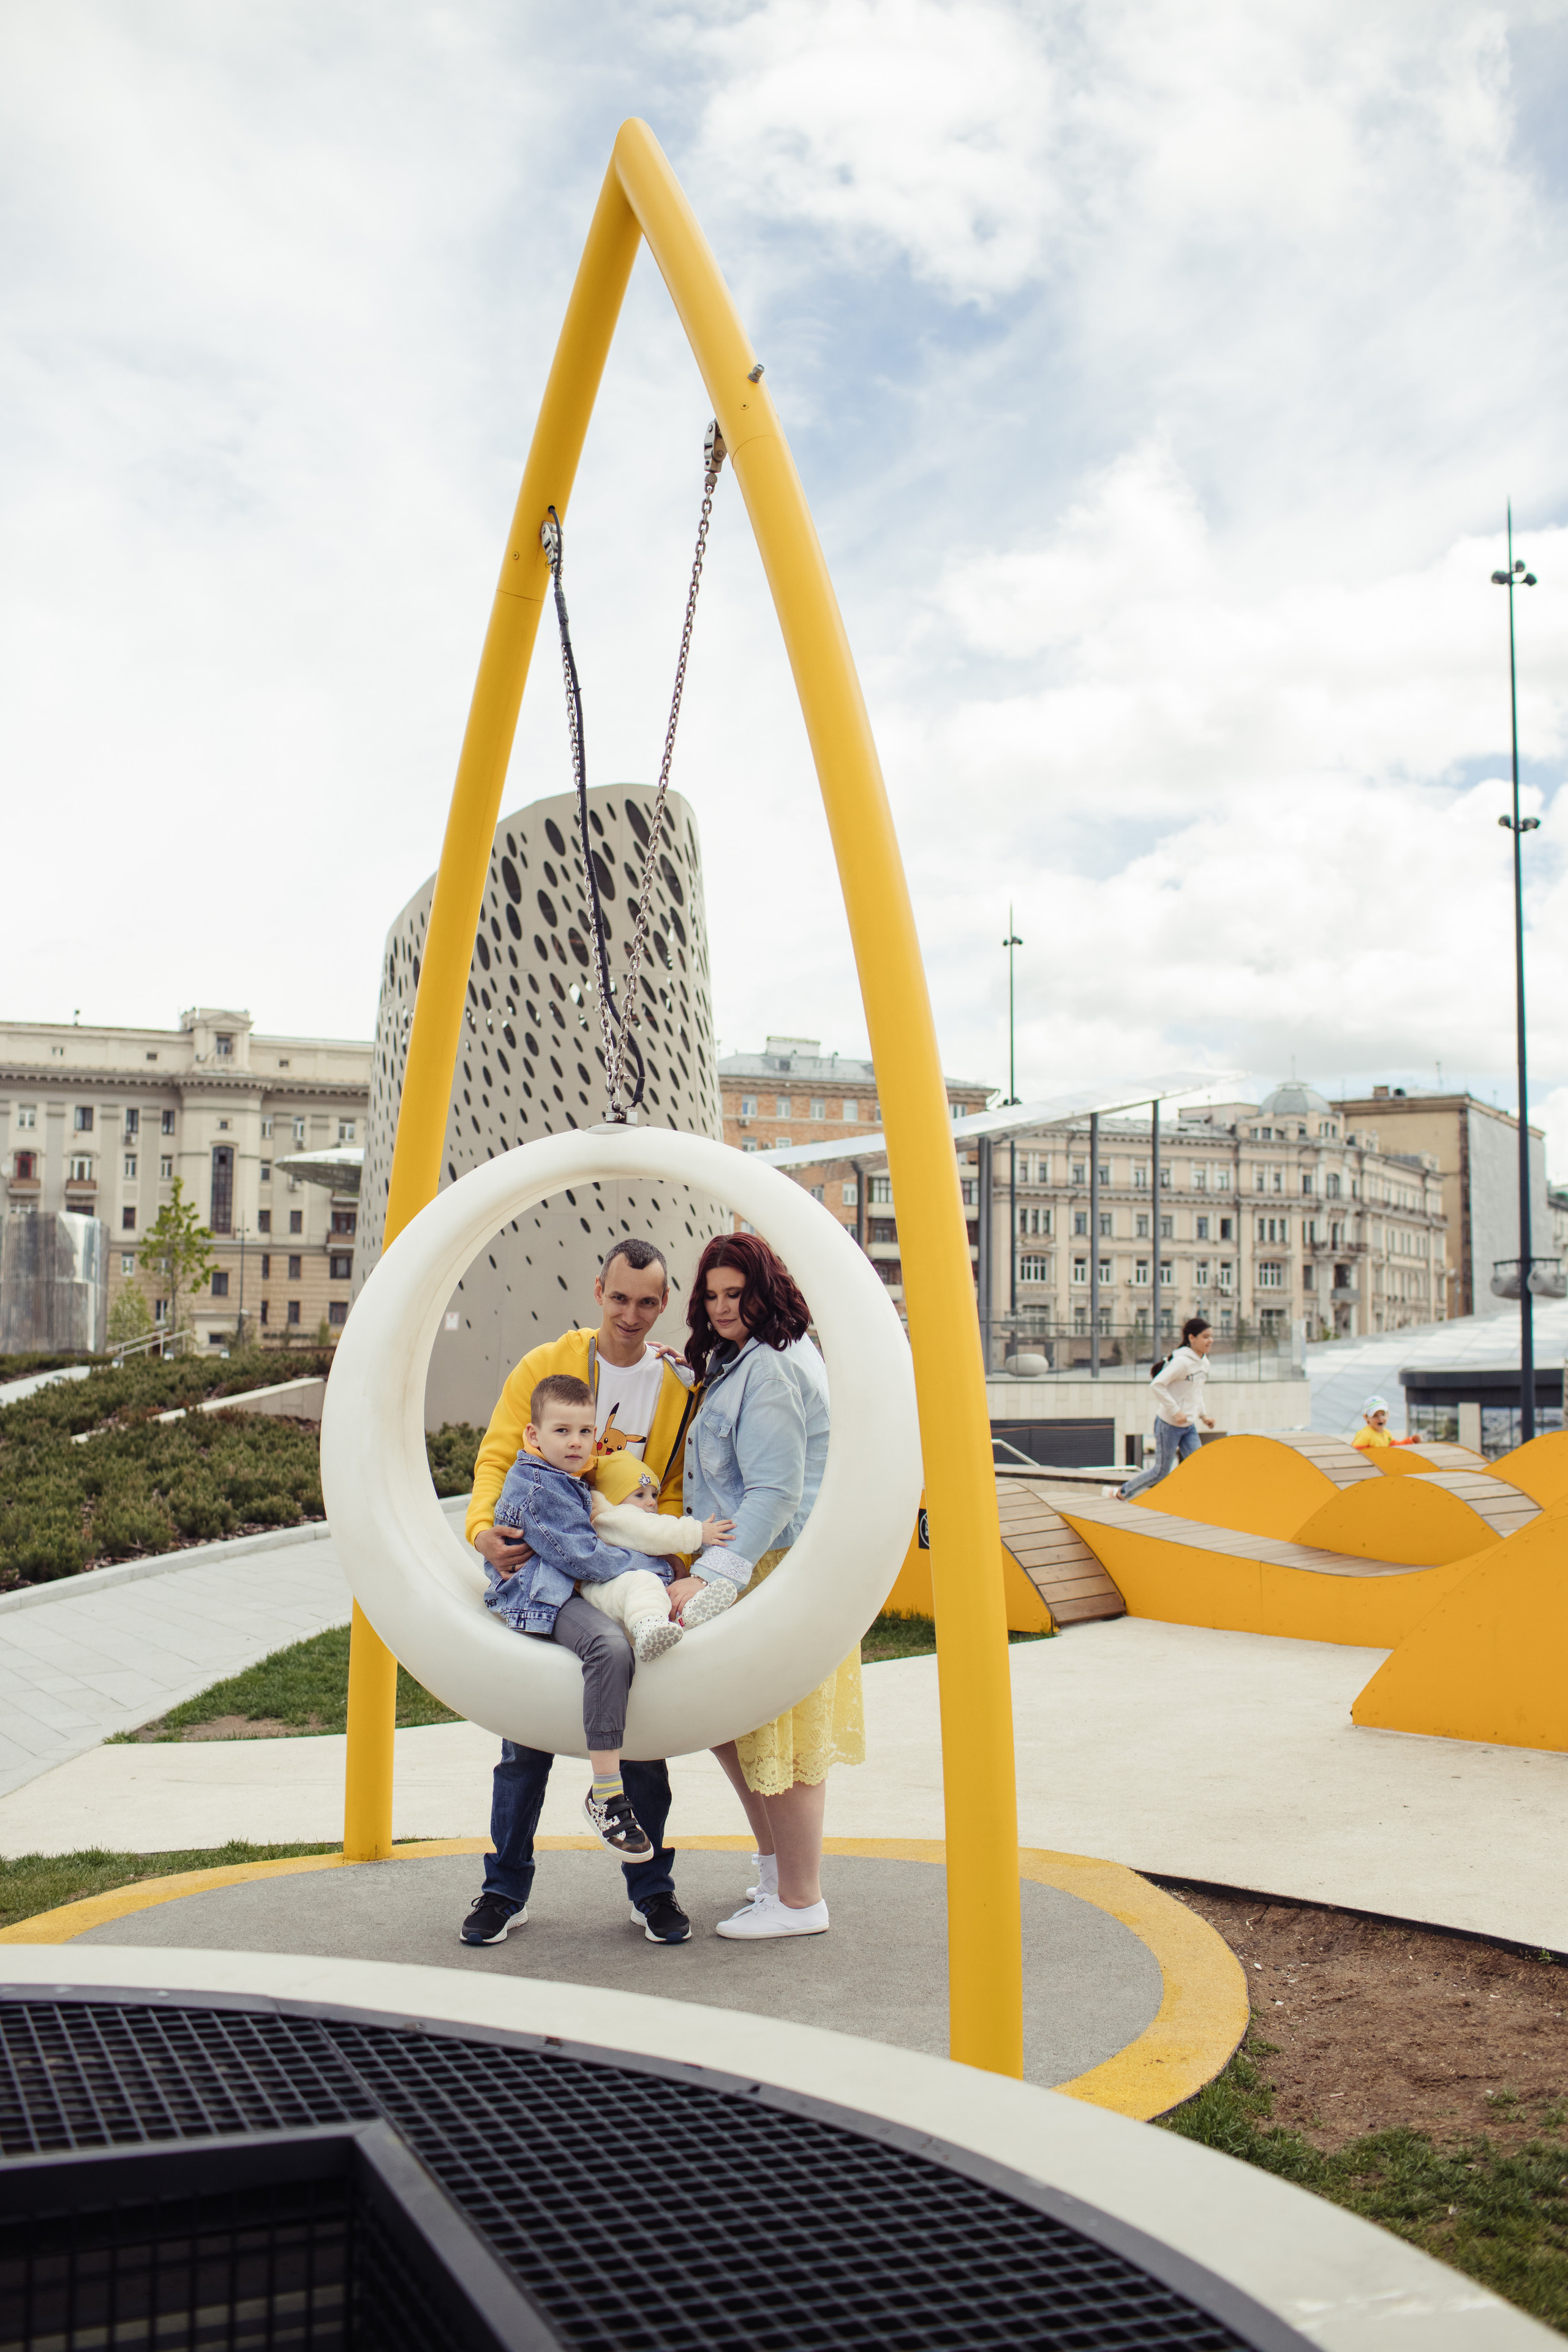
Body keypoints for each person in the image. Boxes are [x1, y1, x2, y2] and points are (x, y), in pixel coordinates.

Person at [458, 1238, 702, 1950]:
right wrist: (481, 1532)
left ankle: (651, 1888)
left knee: (641, 1735)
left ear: (663, 1306)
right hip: (546, 1572)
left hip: (620, 1568)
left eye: (647, 1302)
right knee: (525, 1736)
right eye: (619, 1297)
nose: (630, 1314)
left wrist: (678, 1560)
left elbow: (679, 1485)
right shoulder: (547, 1366)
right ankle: (503, 1888)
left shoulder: (678, 1384)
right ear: (599, 1290)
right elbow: (500, 1452)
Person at [665, 1232, 854, 1943]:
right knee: (737, 1725)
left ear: (763, 1290)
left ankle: (800, 1901)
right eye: (710, 1295)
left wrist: (709, 1581)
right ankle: (780, 1881)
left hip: (767, 1569)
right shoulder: (752, 1361)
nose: (719, 1307)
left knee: (779, 1730)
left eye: (734, 1294)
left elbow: (774, 1491)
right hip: (760, 1565)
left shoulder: (770, 1370)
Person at [481, 1374, 736, 1864]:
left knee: (636, 1623)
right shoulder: (539, 1486)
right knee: (609, 1647)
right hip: (542, 1595)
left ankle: (653, 1891)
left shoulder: (570, 1479)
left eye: (583, 1432)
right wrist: (661, 1569)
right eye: (561, 1432)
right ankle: (605, 1793)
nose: (575, 1443)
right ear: (534, 1436)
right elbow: (584, 1558)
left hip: (568, 1588)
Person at [1117, 1317, 1216, 1500]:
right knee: (1160, 1472)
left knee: (1199, 1465)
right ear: (1192, 1338)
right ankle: (1124, 1492)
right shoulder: (1182, 1362)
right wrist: (1175, 1411)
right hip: (1168, 1426)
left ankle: (1193, 1500)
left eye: (1211, 1336)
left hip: (1189, 1426)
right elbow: (1157, 1385)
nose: (1210, 1340)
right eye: (1205, 1337)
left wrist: (1204, 1416)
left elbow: (1195, 1392)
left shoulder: (1204, 1363)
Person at [1351, 1396, 1421, 1452]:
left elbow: (1396, 1447)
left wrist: (1411, 1441)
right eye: (1375, 1416)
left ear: (1388, 1415)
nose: (1380, 1418)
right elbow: (1356, 1454)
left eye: (1383, 1414)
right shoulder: (1364, 1434)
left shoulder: (1387, 1433)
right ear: (1366, 1418)